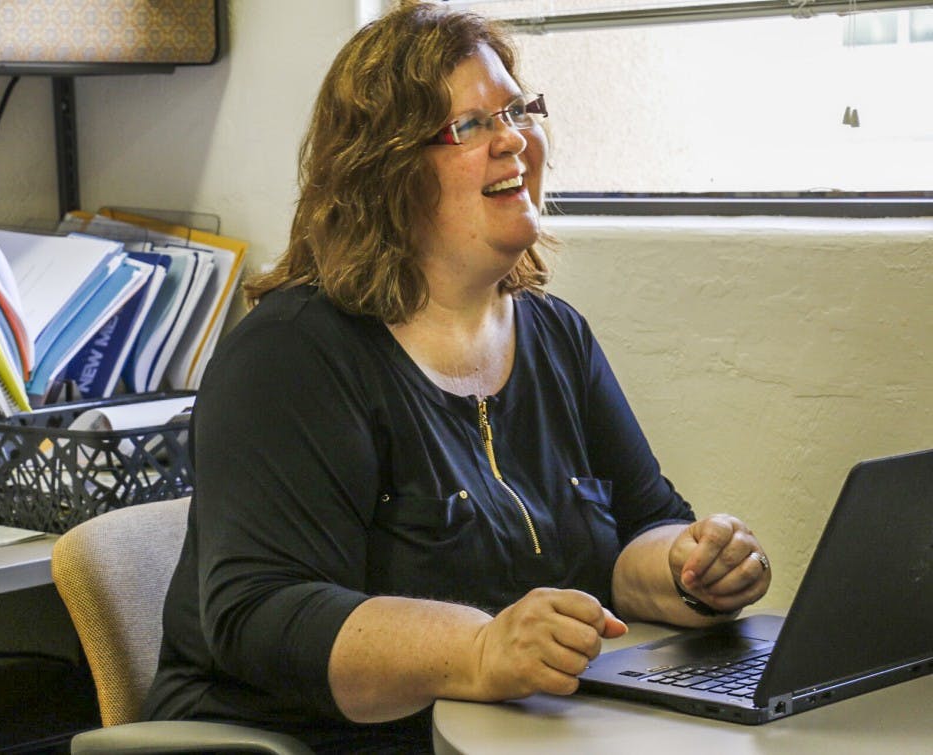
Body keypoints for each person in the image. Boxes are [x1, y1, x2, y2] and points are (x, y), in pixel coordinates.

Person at [143, 2, 771, 752]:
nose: (513, 138)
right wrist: (479, 647)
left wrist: (692, 568)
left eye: (517, 110)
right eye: (470, 126)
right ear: (385, 173)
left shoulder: (555, 335)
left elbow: (641, 525)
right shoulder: (291, 353)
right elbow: (264, 618)